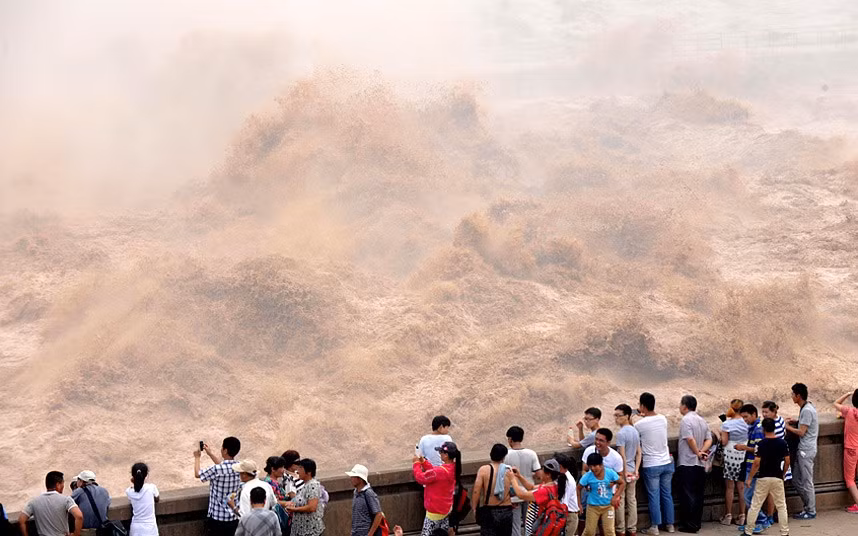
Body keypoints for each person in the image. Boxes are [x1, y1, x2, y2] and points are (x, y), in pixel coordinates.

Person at [633, 393, 674, 535]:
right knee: (667, 494)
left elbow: (632, 434)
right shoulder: (663, 419)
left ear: (642, 406)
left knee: (654, 496)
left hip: (651, 465)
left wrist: (633, 418)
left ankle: (655, 527)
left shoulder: (639, 425)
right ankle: (670, 525)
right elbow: (652, 425)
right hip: (667, 462)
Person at [743, 418, 790, 536]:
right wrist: (783, 474)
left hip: (763, 477)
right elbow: (787, 461)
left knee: (755, 505)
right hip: (777, 476)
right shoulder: (782, 443)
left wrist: (750, 478)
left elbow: (756, 463)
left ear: (763, 429)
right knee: (781, 506)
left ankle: (749, 530)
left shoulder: (761, 444)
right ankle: (784, 532)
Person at [675, 395, 711, 534]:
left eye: (680, 404)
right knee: (698, 494)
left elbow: (689, 439)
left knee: (687, 494)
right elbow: (709, 439)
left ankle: (689, 525)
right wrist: (701, 452)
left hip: (687, 462)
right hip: (700, 464)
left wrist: (697, 452)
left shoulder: (686, 420)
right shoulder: (702, 420)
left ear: (685, 406)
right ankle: (696, 523)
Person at [785, 382, 819, 520]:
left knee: (806, 481)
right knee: (797, 480)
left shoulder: (806, 410)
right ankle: (808, 507)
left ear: (798, 396)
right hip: (806, 448)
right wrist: (797, 421)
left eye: (793, 394)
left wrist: (787, 427)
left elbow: (801, 432)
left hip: (806, 449)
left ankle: (810, 510)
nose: (792, 396)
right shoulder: (807, 407)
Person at [196, 437, 243, 536]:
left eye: (222, 447)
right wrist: (210, 454)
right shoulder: (240, 467)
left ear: (225, 450)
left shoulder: (216, 469)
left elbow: (198, 474)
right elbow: (224, 466)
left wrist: (197, 457)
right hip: (233, 516)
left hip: (217, 518)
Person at [581, 429, 624, 536]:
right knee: (590, 529)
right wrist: (587, 483)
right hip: (592, 496)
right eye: (596, 439)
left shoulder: (616, 457)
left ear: (608, 442)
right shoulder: (589, 451)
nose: (597, 443)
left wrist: (615, 492)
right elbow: (584, 470)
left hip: (609, 497)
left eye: (601, 440)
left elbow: (620, 476)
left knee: (609, 529)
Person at [509, 458, 569, 535]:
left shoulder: (545, 491)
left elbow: (521, 495)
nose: (540, 472)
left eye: (542, 470)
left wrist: (512, 479)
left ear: (548, 475)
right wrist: (519, 476)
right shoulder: (553, 485)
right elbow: (531, 487)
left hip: (538, 528)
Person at [413, 441, 460, 536]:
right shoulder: (454, 468)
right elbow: (434, 472)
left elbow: (420, 478)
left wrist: (416, 464)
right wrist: (423, 461)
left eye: (441, 452)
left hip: (433, 513)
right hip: (445, 511)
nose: (440, 454)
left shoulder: (439, 472)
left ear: (446, 455)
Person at [19, 471, 84, 536]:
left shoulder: (34, 501)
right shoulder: (66, 499)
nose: (63, 486)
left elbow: (21, 520)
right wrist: (76, 534)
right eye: (62, 483)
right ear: (58, 485)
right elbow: (79, 516)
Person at [504, 426, 541, 536]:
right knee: (530, 525)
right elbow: (539, 475)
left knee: (515, 526)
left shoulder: (506, 455)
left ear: (510, 439)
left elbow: (504, 477)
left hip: (513, 495)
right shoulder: (531, 453)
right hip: (530, 494)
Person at [472, 444, 515, 536]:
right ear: (504, 457)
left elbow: (476, 491)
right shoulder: (508, 470)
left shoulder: (483, 470)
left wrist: (474, 508)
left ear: (491, 454)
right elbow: (514, 489)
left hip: (490, 510)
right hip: (506, 509)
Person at [761, 401, 792, 526]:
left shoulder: (773, 426)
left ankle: (770, 515)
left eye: (766, 412)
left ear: (773, 412)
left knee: (771, 492)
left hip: (775, 462)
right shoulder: (780, 420)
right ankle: (775, 514)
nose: (764, 414)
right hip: (781, 462)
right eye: (763, 412)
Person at [736, 404, 766, 530]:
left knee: (748, 496)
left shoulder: (758, 430)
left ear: (754, 414)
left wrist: (744, 448)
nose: (744, 420)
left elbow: (759, 450)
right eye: (743, 417)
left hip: (754, 466)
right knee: (751, 496)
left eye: (746, 417)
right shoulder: (753, 428)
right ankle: (753, 522)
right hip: (750, 465)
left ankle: (761, 520)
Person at [614, 405, 641, 536]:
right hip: (632, 470)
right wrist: (636, 470)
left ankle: (620, 529)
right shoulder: (635, 431)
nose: (616, 418)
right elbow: (639, 453)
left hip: (623, 471)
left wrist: (623, 472)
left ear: (627, 416)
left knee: (620, 498)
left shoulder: (621, 434)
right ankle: (632, 528)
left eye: (619, 416)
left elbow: (622, 456)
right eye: (615, 415)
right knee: (632, 500)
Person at [719, 400, 748, 526]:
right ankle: (742, 515)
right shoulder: (746, 423)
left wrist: (719, 433)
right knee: (741, 487)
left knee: (730, 487)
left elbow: (724, 442)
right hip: (743, 454)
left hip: (730, 455)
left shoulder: (727, 424)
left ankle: (728, 515)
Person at [285, 459, 325, 536]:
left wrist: (294, 509)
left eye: (300, 468)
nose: (297, 471)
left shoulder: (312, 485)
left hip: (310, 531)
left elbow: (312, 507)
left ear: (309, 472)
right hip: (301, 530)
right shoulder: (306, 485)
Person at [834, 389, 858, 513]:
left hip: (851, 448)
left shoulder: (849, 411)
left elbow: (835, 403)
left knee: (849, 479)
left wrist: (847, 394)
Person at [346, 464, 384, 536]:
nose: (351, 478)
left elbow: (378, 514)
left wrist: (370, 534)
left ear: (360, 479)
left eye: (353, 477)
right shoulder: (356, 493)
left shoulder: (368, 493)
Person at [71, 471, 110, 536]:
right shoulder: (104, 490)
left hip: (87, 530)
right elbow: (107, 504)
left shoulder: (79, 491)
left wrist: (74, 490)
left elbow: (68, 503)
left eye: (77, 480)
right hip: (102, 529)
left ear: (81, 481)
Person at [126, 463, 160, 536]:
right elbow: (157, 499)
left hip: (135, 529)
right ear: (146, 475)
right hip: (150, 529)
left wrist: (134, 481)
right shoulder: (151, 488)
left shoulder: (129, 491)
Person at [553, 453, 580, 535]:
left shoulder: (569, 481)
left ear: (560, 466)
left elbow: (564, 503)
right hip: (562, 514)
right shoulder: (559, 477)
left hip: (569, 516)